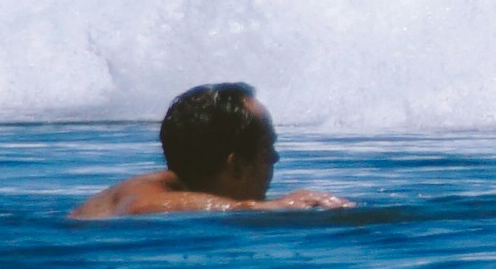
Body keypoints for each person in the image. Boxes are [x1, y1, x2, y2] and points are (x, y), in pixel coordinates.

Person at [75, 80, 341, 219]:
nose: (276, 158)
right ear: (235, 165)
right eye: (267, 150)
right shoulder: (146, 190)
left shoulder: (184, 197)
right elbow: (138, 207)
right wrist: (257, 207)